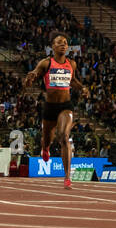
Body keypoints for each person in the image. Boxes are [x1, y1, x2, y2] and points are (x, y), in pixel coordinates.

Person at [23, 33, 85, 189]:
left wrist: (83, 88)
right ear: (53, 46)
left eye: (65, 42)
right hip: (50, 107)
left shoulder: (72, 63)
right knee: (47, 139)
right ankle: (45, 148)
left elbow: (73, 80)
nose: (63, 45)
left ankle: (67, 177)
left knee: (64, 136)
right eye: (59, 43)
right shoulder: (46, 63)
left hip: (66, 106)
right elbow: (35, 74)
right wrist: (30, 78)